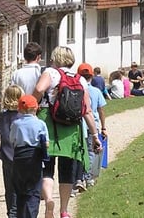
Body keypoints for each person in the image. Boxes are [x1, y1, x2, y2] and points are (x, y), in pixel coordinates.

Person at [33, 46, 102, 218]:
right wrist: (94, 135)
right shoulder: (81, 79)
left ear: (56, 58)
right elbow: (87, 110)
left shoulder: (51, 73)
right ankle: (64, 210)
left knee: (47, 167)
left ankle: (48, 199)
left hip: (49, 123)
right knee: (67, 170)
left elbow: (40, 89)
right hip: (71, 128)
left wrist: (32, 104)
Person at [10, 94, 49, 218]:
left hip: (19, 157)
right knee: (33, 190)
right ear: (36, 108)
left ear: (20, 109)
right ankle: (31, 214)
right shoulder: (40, 124)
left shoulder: (16, 124)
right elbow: (46, 144)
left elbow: (12, 140)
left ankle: (21, 214)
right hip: (34, 157)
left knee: (20, 189)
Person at [0, 85, 24, 218]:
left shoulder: (1, 117)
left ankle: (11, 212)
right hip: (23, 156)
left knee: (10, 188)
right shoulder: (23, 117)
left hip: (7, 155)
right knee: (22, 187)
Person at [75, 63, 107, 189]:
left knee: (78, 151)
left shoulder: (78, 90)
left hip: (79, 125)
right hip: (92, 124)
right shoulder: (96, 91)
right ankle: (89, 178)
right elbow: (101, 111)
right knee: (91, 151)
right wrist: (103, 127)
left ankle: (79, 178)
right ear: (92, 76)